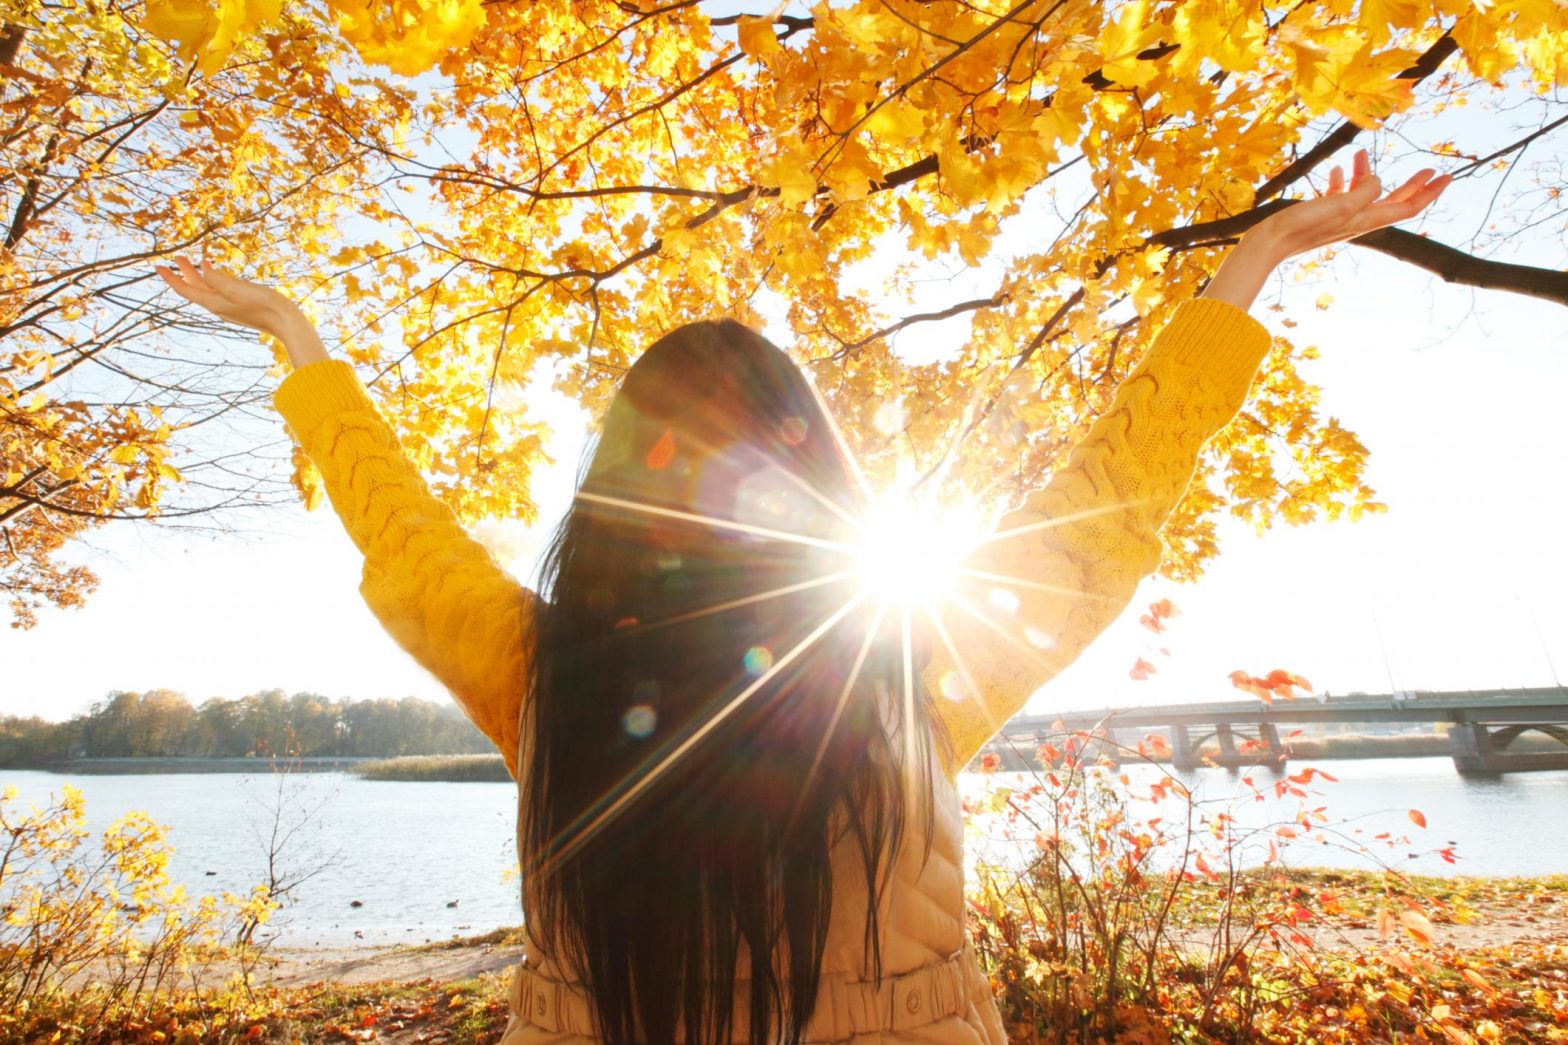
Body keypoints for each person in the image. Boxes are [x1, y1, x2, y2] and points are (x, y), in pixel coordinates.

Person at [158, 149, 1448, 1044]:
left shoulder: (549, 673)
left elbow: (405, 530)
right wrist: (1250, 268)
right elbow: (1111, 499)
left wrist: (303, 342)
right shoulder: (908, 664)